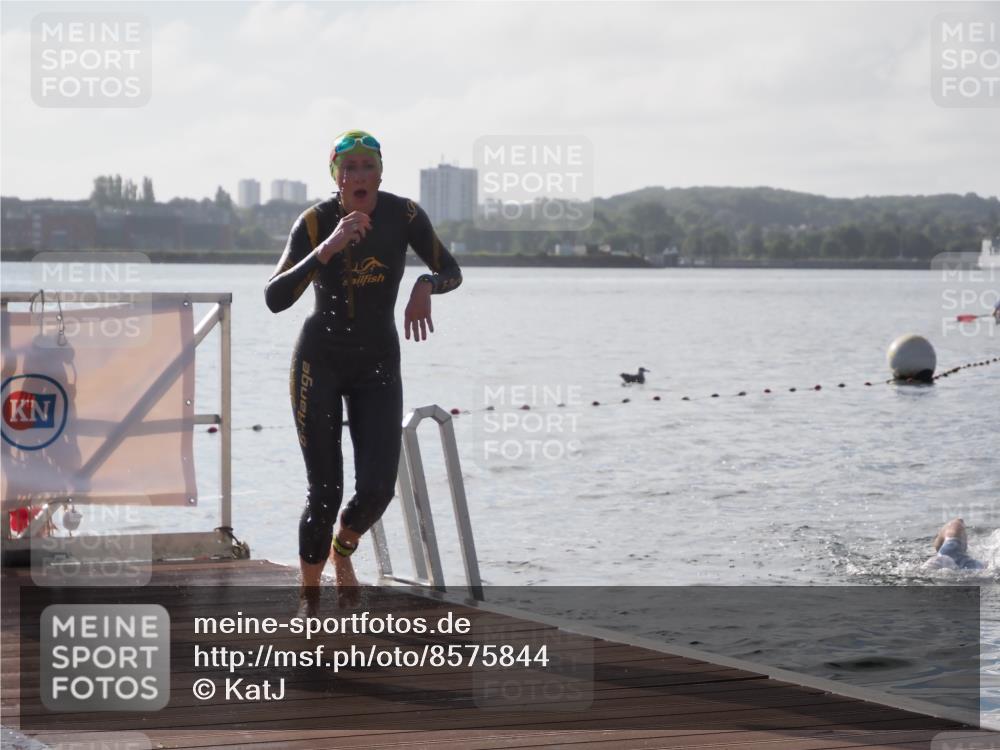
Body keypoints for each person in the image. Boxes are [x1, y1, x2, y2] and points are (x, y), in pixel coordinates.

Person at [264, 130, 462, 612]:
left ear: (379, 173)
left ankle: (343, 549)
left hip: (377, 364)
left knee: (377, 489)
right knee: (325, 494)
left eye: (366, 166)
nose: (357, 176)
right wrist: (326, 248)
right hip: (320, 364)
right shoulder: (315, 222)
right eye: (347, 169)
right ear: (336, 178)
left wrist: (425, 284)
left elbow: (451, 270)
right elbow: (274, 297)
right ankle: (309, 605)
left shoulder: (404, 215)